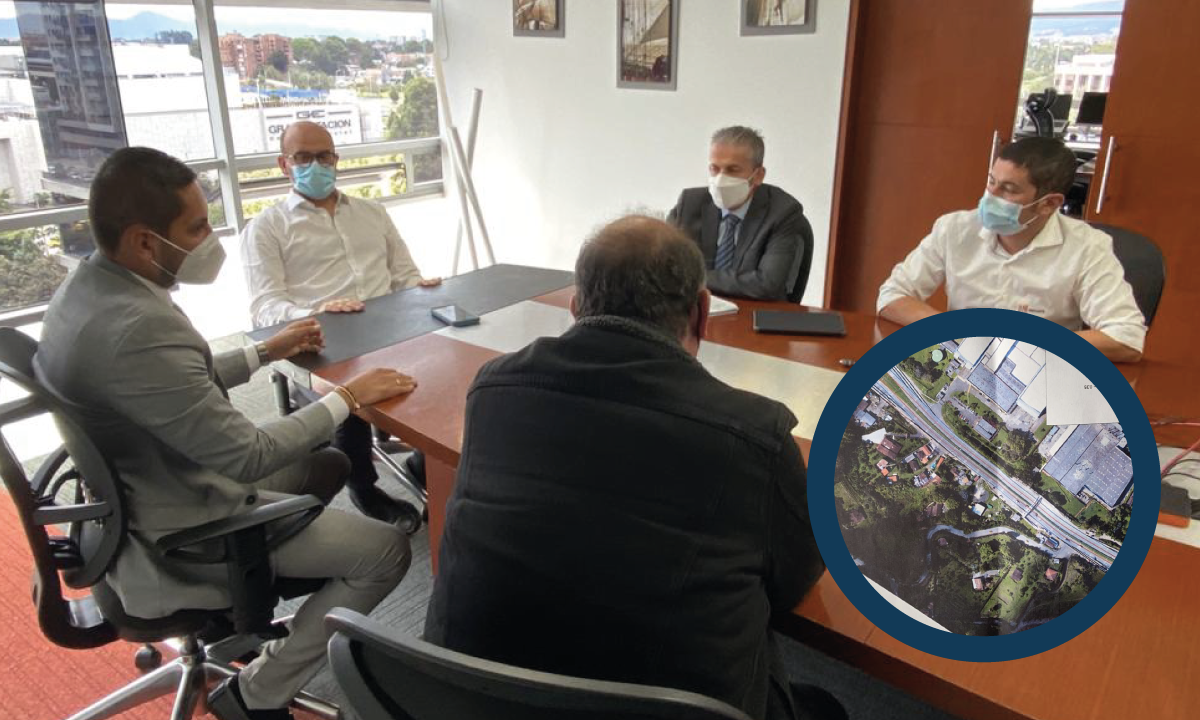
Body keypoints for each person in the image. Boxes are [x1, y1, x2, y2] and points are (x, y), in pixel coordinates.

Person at [35, 147, 415, 720]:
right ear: (144, 242)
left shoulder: (88, 291)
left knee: (327, 461)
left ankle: (244, 614)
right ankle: (256, 693)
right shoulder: (139, 326)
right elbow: (249, 456)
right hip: (182, 530)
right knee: (384, 552)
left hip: (133, 498)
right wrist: (348, 397)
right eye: (196, 227)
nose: (209, 239)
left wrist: (265, 351)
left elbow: (167, 380)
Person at [424, 215, 835, 720]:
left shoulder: (493, 387)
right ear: (702, 312)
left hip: (469, 697)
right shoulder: (755, 432)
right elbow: (793, 583)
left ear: (575, 307)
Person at [241, 121, 441, 531]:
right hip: (321, 345)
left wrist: (421, 288)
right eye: (303, 157)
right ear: (284, 164)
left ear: (336, 159)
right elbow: (264, 308)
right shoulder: (266, 227)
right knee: (350, 403)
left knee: (444, 372)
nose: (316, 165)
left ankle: (425, 466)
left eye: (324, 156)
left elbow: (404, 275)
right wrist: (317, 309)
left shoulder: (372, 212)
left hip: (390, 332)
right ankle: (364, 487)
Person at [877, 137, 1146, 362]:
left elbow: (1126, 337)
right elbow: (892, 296)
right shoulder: (955, 228)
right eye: (991, 182)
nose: (991, 196)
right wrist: (955, 330)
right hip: (960, 363)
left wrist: (1026, 343)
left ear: (1049, 204)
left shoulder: (1087, 246)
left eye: (1008, 189)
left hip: (1040, 374)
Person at [668, 125, 811, 301]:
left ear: (758, 175)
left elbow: (767, 284)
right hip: (694, 309)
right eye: (714, 168)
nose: (720, 179)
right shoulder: (689, 204)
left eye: (732, 170)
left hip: (752, 311)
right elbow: (663, 269)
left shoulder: (783, 212)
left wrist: (694, 278)